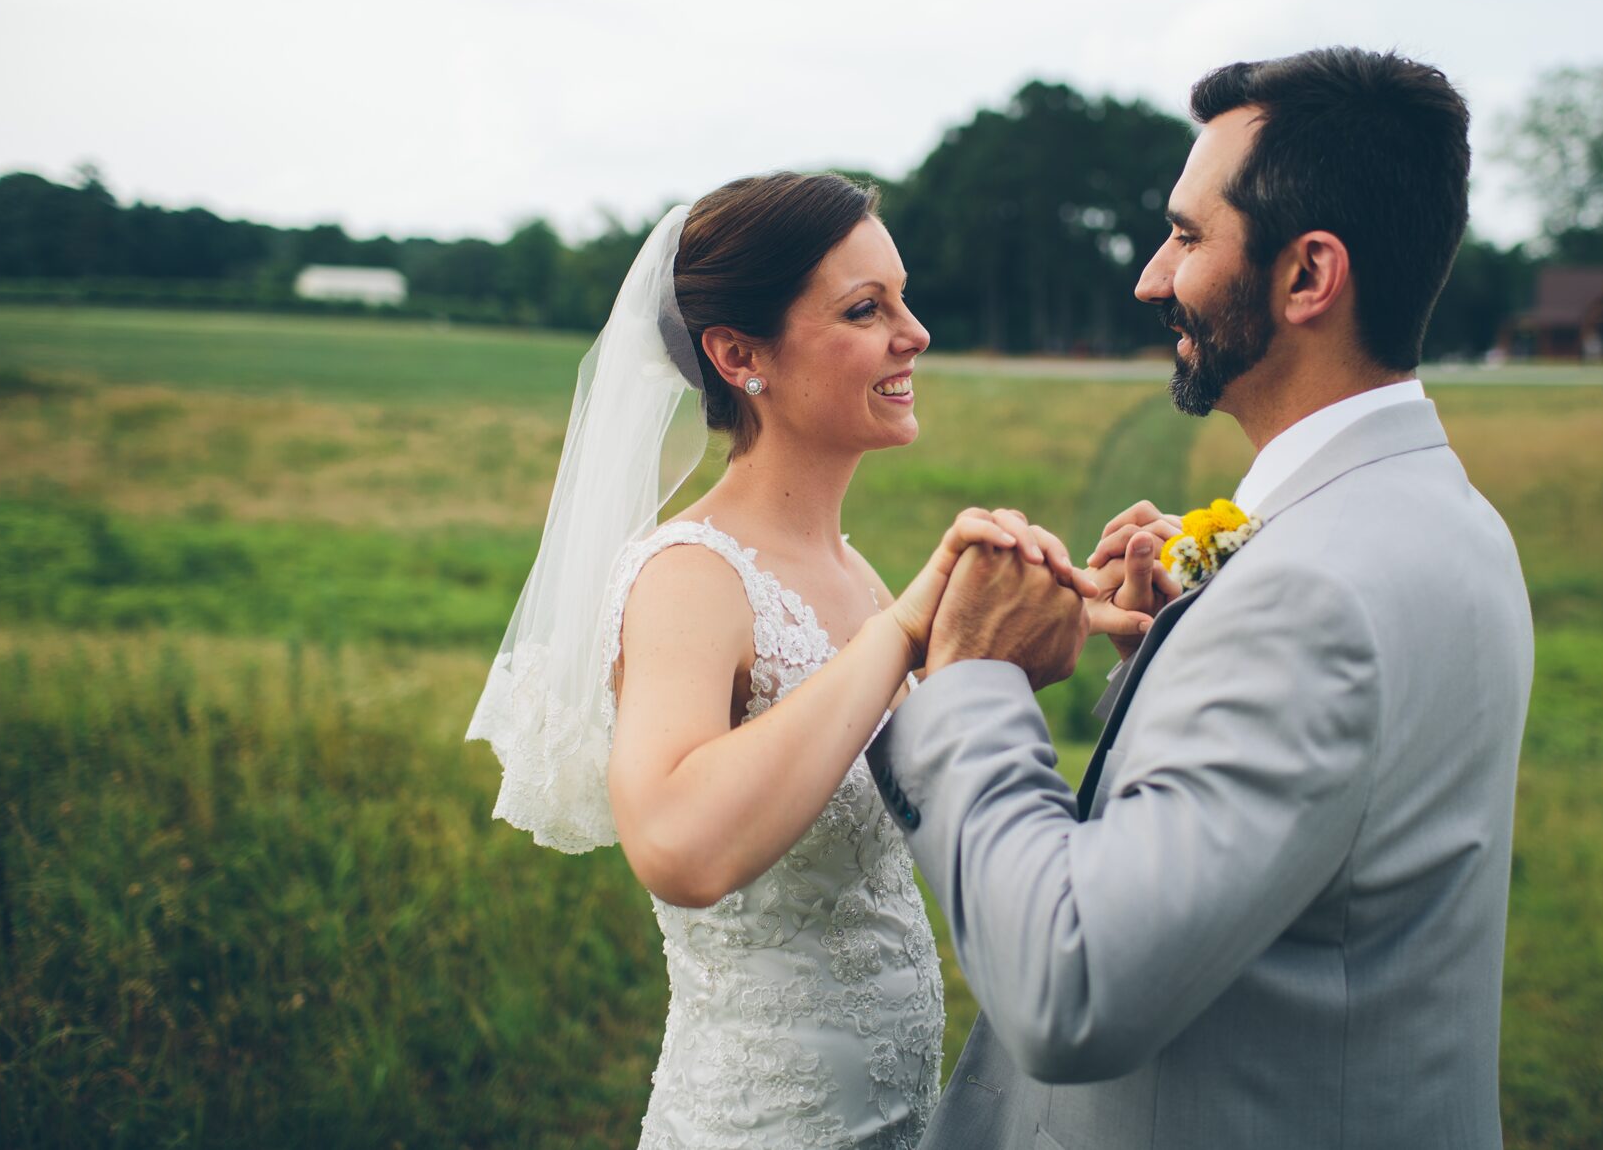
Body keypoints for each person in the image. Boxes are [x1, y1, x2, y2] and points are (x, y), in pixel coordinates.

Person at [865, 47, 1538, 1148]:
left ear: (1307, 276)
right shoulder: (1449, 517)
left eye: (1185, 236)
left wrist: (976, 679)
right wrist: (1175, 640)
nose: (1148, 278)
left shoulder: (1310, 591)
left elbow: (1069, 986)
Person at [465, 170, 1153, 1150]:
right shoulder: (689, 575)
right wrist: (906, 629)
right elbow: (677, 846)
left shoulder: (854, 572)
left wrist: (1082, 617)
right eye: (867, 309)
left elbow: (929, 774)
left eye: (903, 299)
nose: (914, 333)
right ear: (740, 354)